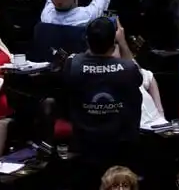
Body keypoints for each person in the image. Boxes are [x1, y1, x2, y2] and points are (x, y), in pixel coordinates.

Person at [61, 17, 142, 178]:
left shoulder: (72, 65)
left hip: (84, 145)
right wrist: (123, 42)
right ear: (114, 43)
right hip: (120, 146)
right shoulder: (128, 69)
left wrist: (92, 47)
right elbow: (138, 75)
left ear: (87, 40)